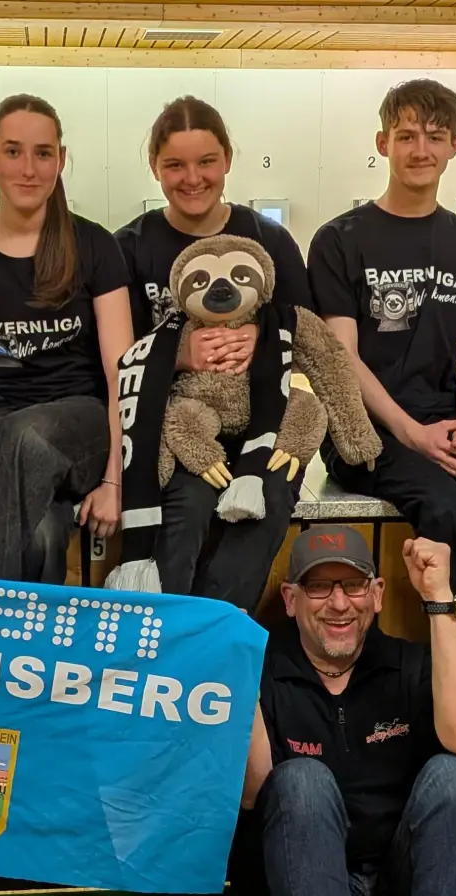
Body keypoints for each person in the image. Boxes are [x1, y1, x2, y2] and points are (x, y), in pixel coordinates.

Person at [307, 78, 456, 673]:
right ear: (383, 142)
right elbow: (341, 361)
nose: (420, 149)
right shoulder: (339, 240)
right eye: (406, 135)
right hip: (366, 433)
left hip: (445, 423)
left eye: (435, 136)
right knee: (449, 508)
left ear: (454, 145)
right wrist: (413, 435)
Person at [113, 95, 316, 610]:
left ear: (227, 159)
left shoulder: (268, 239)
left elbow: (306, 331)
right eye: (174, 165)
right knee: (185, 509)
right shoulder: (131, 246)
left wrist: (262, 337)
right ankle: (160, 639)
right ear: (154, 167)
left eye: (206, 162)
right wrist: (179, 353)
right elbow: (119, 355)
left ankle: (211, 636)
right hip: (179, 425)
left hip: (262, 424)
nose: (192, 178)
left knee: (266, 504)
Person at [0, 94, 133, 583]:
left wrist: (114, 480)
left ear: (60, 159)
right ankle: (28, 653)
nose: (28, 168)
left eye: (43, 153)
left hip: (80, 422)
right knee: (40, 535)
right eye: (13, 151)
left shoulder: (94, 245)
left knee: (22, 438)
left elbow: (121, 374)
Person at [243, 526, 456, 896]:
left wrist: (438, 596)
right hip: (302, 877)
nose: (340, 604)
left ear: (376, 595)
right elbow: (251, 795)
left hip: (401, 872)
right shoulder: (262, 672)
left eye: (354, 586)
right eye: (318, 587)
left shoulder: (409, 664)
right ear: (290, 599)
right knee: (301, 781)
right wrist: (235, 666)